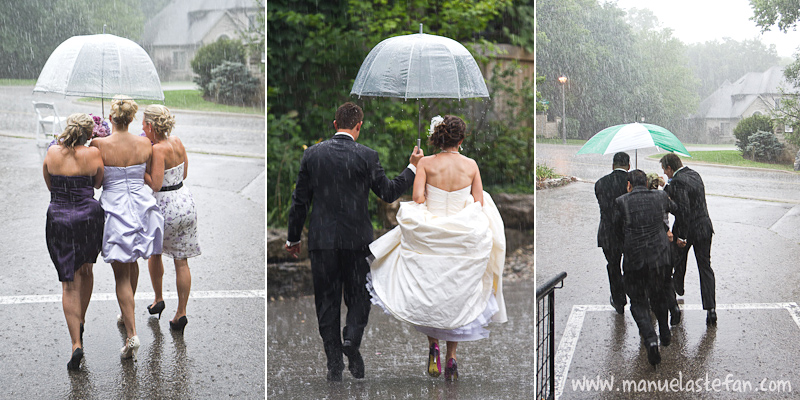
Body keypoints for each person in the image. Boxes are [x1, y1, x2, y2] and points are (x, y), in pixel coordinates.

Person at [285, 102, 423, 382]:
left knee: (327, 301)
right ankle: (352, 339)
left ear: (335, 125)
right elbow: (388, 192)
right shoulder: (367, 156)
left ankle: (334, 362)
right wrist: (412, 166)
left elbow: (300, 201)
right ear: (358, 126)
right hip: (357, 241)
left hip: (322, 240)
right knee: (360, 296)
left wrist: (293, 237)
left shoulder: (312, 155)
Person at [367, 115, 507, 381]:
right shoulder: (471, 165)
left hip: (431, 233)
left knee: (431, 289)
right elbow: (478, 200)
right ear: (462, 140)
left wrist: (420, 170)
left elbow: (418, 197)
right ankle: (452, 357)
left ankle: (434, 348)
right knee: (456, 292)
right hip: (461, 234)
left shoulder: (427, 163)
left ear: (437, 138)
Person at [90, 96, 164, 361]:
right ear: (132, 119)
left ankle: (132, 335)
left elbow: (98, 183)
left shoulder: (99, 144)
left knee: (121, 274)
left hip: (115, 208)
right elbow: (152, 178)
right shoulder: (145, 144)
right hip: (141, 207)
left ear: (111, 118)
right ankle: (127, 313)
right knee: (133, 264)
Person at [43, 113, 104, 370]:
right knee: (87, 270)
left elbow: (49, 185)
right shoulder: (93, 155)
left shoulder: (52, 153)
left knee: (68, 284)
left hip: (59, 217)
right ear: (89, 134)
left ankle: (75, 343)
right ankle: (81, 318)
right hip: (88, 217)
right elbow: (99, 182)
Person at [143, 104, 200, 332]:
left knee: (155, 253)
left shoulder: (158, 150)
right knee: (181, 261)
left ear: (150, 125)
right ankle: (181, 313)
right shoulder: (176, 141)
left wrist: (140, 172)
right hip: (185, 201)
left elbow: (155, 184)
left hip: (165, 207)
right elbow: (184, 172)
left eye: (143, 124)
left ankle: (158, 299)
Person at [614, 169, 677, 366]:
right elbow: (676, 208)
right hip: (659, 257)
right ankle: (664, 330)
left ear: (629, 185)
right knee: (658, 295)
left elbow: (616, 229)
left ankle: (650, 338)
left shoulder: (621, 201)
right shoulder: (660, 196)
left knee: (638, 301)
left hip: (634, 260)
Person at [660, 153, 716, 325]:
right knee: (705, 267)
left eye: (665, 171)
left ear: (670, 168)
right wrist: (667, 186)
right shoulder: (694, 174)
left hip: (687, 228)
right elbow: (687, 194)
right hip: (704, 226)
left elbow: (683, 209)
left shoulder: (677, 182)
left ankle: (677, 290)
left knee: (674, 261)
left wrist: (681, 236)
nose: (665, 174)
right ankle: (711, 309)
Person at [594, 152, 630, 314]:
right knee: (631, 265)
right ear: (628, 166)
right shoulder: (632, 182)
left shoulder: (600, 183)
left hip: (608, 232)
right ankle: (636, 296)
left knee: (613, 266)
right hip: (629, 232)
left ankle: (619, 300)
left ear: (613, 165)